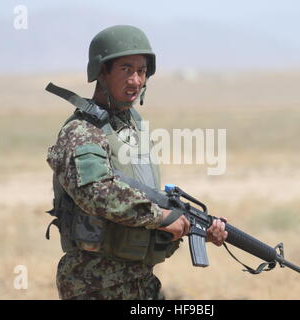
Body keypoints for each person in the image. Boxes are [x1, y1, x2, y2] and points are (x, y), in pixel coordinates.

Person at [45, 25, 227, 300]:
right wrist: (162, 218)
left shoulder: (132, 129)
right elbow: (95, 193)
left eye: (142, 71)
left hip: (141, 282)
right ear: (101, 72)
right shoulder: (82, 131)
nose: (136, 80)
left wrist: (194, 228)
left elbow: (147, 201)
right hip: (95, 284)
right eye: (126, 69)